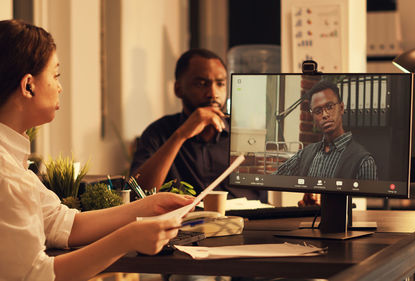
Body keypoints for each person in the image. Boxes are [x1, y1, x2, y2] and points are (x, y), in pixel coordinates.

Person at [0, 19, 194, 281]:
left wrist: (146, 207)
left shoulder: (12, 161)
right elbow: (35, 276)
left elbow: (61, 224)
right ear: (28, 86)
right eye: (56, 75)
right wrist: (126, 239)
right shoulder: (7, 177)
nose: (59, 87)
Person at [130, 48, 263, 201]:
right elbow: (136, 194)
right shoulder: (158, 133)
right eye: (201, 84)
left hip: (247, 222)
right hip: (184, 223)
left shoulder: (246, 133)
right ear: (178, 89)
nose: (213, 93)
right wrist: (180, 136)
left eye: (220, 84)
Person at [275, 80, 377, 205]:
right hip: (308, 219)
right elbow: (274, 179)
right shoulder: (305, 154)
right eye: (318, 111)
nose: (324, 115)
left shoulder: (363, 161)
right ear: (313, 117)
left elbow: (366, 202)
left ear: (341, 108)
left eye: (329, 107)